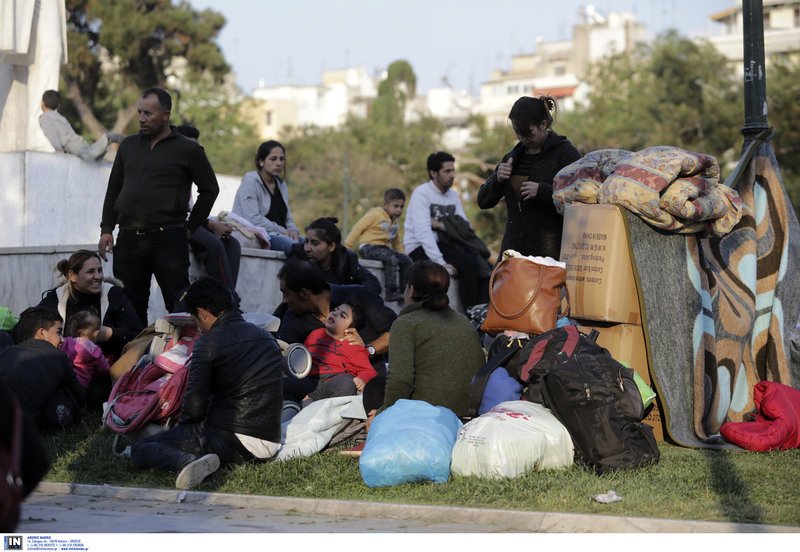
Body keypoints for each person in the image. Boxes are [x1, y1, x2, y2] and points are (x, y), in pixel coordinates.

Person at [129, 278, 284, 490]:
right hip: (269, 442)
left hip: (233, 441)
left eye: (196, 321)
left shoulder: (208, 343)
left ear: (202, 313)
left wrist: (182, 434)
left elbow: (194, 408)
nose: (198, 328)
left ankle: (188, 461)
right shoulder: (267, 337)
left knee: (140, 449)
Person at [97, 87, 220, 325]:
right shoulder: (128, 146)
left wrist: (191, 227)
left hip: (169, 239)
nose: (142, 119)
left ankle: (183, 358)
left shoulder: (188, 148)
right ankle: (134, 359)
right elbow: (114, 189)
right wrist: (106, 229)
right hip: (130, 239)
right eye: (139, 113)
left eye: (148, 114)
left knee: (180, 305)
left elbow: (210, 190)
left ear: (165, 115)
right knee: (129, 307)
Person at [368, 261, 486, 421]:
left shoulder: (406, 323)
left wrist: (383, 416)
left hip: (428, 414)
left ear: (411, 290)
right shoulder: (462, 320)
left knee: (373, 389)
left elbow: (400, 380)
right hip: (469, 410)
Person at [477, 95, 581, 260]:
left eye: (528, 134)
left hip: (550, 258)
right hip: (512, 255)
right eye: (518, 134)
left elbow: (581, 198)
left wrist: (544, 191)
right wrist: (497, 180)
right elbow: (483, 201)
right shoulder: (513, 157)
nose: (523, 139)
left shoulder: (565, 154)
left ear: (543, 125)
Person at [274, 259, 396, 377]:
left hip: (368, 389)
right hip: (320, 393)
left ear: (304, 293)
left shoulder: (358, 295)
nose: (284, 300)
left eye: (286, 294)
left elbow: (397, 331)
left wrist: (367, 350)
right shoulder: (292, 317)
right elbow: (286, 356)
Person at [404, 151, 490, 311]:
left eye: (453, 171)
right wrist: (441, 262)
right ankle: (470, 313)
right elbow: (423, 233)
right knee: (468, 265)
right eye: (447, 171)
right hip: (420, 247)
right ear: (433, 173)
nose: (452, 175)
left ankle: (483, 313)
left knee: (482, 263)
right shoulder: (422, 194)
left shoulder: (453, 195)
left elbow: (465, 226)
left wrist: (442, 224)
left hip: (447, 244)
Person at [38, 250, 143, 362]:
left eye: (100, 270)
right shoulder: (56, 298)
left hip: (108, 370)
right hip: (64, 368)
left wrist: (110, 334)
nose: (98, 276)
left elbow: (137, 335)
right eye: (90, 272)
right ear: (72, 276)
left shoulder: (113, 295)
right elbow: (32, 330)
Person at [176, 124, 242, 302]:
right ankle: (226, 302)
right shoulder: (170, 171)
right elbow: (180, 213)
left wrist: (212, 224)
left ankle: (228, 297)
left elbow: (193, 210)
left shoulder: (191, 173)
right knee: (214, 245)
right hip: (172, 224)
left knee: (232, 245)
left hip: (190, 223)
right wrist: (211, 225)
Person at [0, 307, 86, 431]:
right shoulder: (57, 354)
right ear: (42, 333)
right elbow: (80, 396)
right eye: (58, 332)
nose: (62, 340)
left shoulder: (7, 352)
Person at [284, 303, 377, 406]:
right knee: (285, 385)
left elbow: (369, 370)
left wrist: (361, 379)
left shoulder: (354, 345)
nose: (335, 314)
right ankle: (293, 409)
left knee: (346, 384)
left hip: (336, 379)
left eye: (342, 315)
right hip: (311, 380)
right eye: (335, 310)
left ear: (350, 329)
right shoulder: (315, 334)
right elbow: (304, 355)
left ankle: (333, 415)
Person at [231, 140, 301, 254]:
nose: (279, 163)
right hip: (261, 235)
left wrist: (293, 230)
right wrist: (282, 230)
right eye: (273, 159)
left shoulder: (281, 185)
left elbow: (288, 217)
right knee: (298, 250)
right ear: (261, 162)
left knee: (315, 249)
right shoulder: (250, 182)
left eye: (282, 159)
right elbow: (253, 219)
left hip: (282, 234)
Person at [345, 188, 412, 303]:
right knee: (390, 259)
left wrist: (402, 254)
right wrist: (347, 246)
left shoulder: (394, 222)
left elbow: (397, 242)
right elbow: (358, 228)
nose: (399, 210)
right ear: (385, 204)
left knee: (406, 261)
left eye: (401, 207)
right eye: (395, 206)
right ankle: (391, 292)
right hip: (369, 247)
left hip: (384, 248)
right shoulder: (375, 214)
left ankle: (404, 291)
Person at [288, 217, 382, 296]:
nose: (307, 248)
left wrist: (349, 301)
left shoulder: (346, 259)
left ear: (331, 246)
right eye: (306, 241)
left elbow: (373, 284)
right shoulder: (299, 254)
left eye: (315, 243)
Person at [38, 90, 123, 162]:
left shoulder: (44, 118)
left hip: (70, 144)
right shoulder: (59, 117)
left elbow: (52, 135)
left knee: (88, 155)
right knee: (96, 155)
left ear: (43, 103)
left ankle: (108, 138)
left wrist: (58, 150)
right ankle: (116, 151)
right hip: (76, 141)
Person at [60, 311, 110, 392]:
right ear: (96, 333)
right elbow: (104, 369)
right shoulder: (94, 350)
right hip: (81, 386)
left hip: (64, 381)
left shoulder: (66, 341)